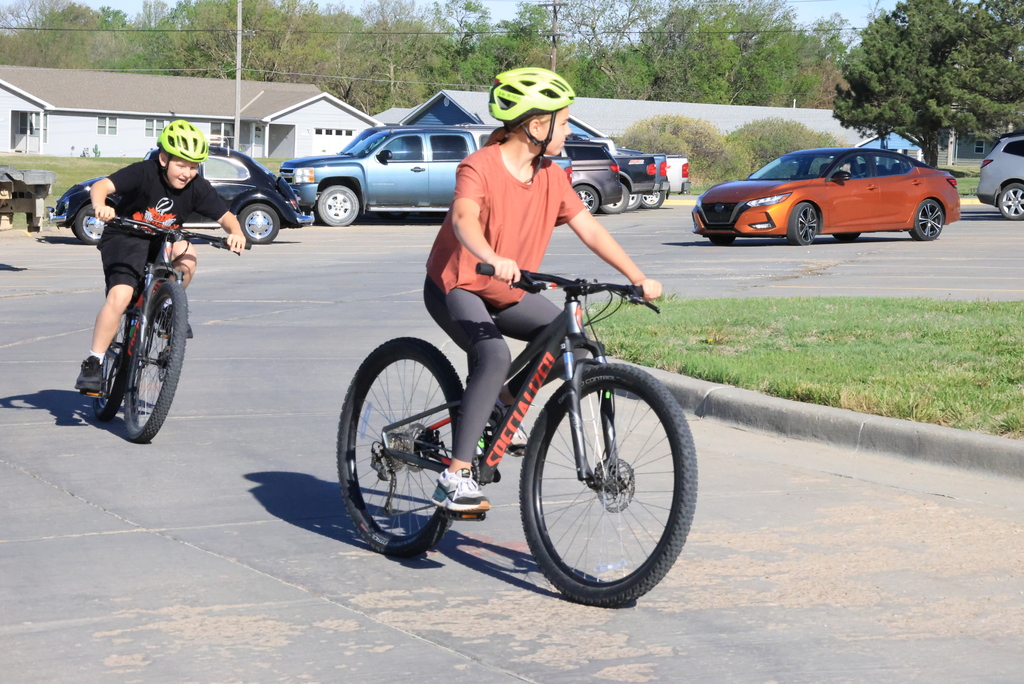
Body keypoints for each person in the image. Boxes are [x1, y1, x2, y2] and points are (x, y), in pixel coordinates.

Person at [423, 67, 662, 512]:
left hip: (508, 290)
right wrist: (490, 256)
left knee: (576, 347)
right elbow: (464, 218)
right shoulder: (480, 165)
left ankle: (503, 402)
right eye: (565, 121)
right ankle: (454, 476)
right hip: (458, 284)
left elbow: (589, 229)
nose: (569, 130)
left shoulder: (551, 175)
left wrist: (637, 276)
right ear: (536, 126)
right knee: (492, 355)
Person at [75, 120, 246, 394]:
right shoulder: (144, 173)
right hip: (125, 236)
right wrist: (100, 206)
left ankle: (166, 306)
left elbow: (226, 217)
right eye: (182, 165)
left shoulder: (197, 187)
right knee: (120, 296)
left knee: (188, 253)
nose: (188, 173)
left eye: (194, 166)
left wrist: (236, 232)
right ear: (164, 158)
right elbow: (101, 187)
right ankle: (93, 362)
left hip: (162, 240)